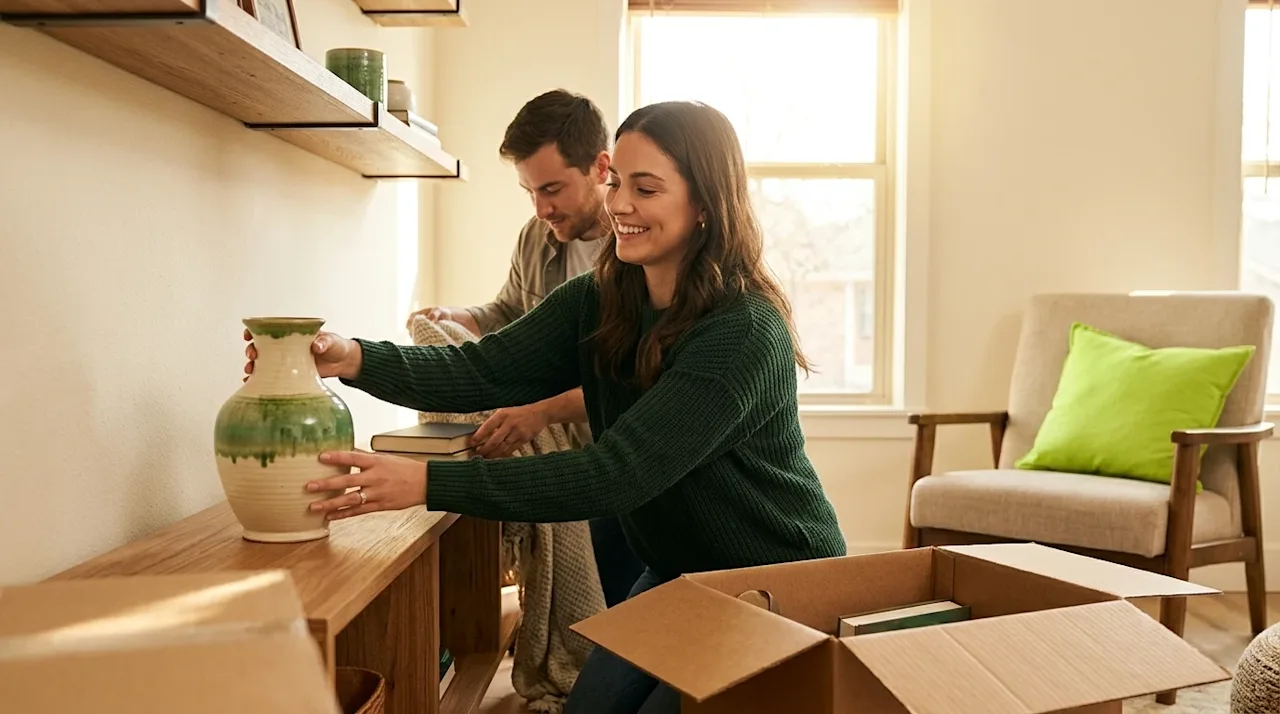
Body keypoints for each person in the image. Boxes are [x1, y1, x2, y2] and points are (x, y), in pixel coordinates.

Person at [244, 100, 847, 714]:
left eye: (647, 188)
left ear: (704, 206)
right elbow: (480, 370)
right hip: (677, 575)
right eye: (616, 183)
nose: (619, 204)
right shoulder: (600, 299)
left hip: (778, 585)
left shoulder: (743, 331)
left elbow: (617, 473)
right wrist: (350, 357)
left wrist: (427, 481)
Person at [403, 89, 645, 608]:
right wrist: (456, 318)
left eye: (552, 188)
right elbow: (510, 314)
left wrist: (540, 412)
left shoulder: (638, 253)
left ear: (601, 167)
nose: (540, 207)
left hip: (619, 466)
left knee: (619, 615)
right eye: (529, 191)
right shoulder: (535, 238)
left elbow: (633, 381)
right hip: (556, 462)